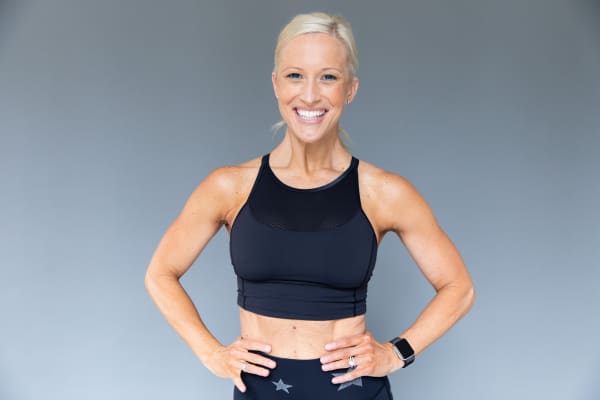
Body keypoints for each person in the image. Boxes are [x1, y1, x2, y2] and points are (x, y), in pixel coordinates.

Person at [145, 11, 475, 400]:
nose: (310, 95)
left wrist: (396, 352)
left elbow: (459, 288)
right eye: (295, 75)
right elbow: (160, 274)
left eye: (328, 77)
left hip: (352, 391)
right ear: (276, 84)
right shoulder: (230, 187)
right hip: (262, 391)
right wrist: (210, 353)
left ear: (350, 89)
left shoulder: (383, 192)